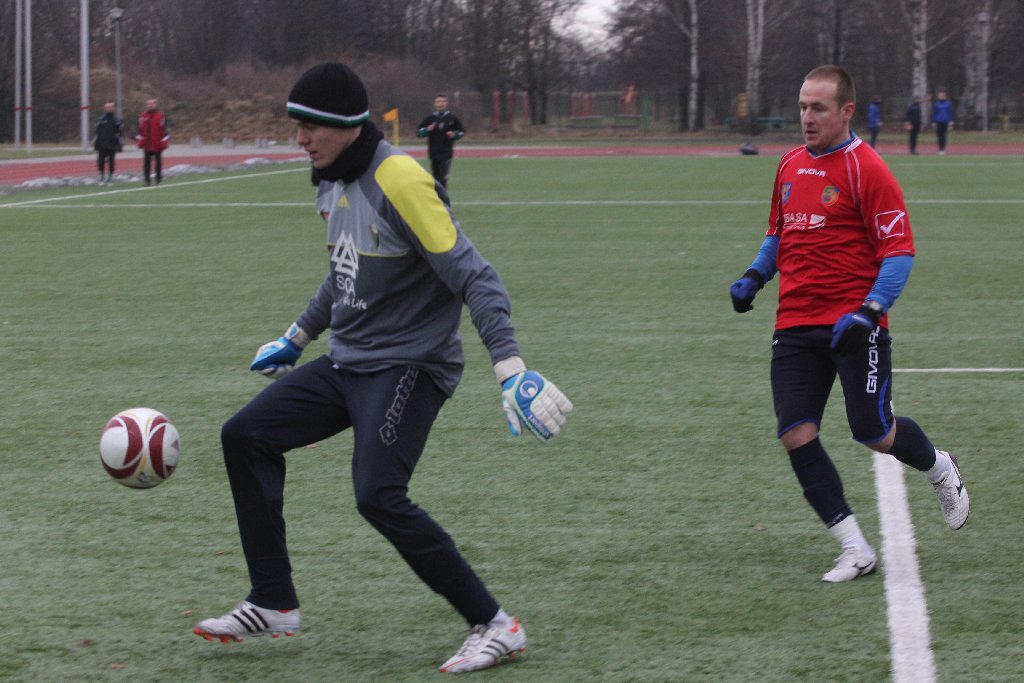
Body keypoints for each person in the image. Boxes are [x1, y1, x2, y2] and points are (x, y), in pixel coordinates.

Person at [191, 63, 573, 673]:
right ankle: (273, 601)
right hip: (350, 361)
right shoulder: (328, 178)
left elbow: (477, 277)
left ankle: (497, 625)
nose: (299, 139)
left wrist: (510, 368)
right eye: (295, 126)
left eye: (309, 126)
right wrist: (297, 336)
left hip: (411, 365)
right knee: (244, 436)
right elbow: (345, 269)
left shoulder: (400, 179)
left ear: (345, 125)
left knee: (377, 494)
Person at [728, 64, 969, 584]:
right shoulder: (790, 163)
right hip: (795, 323)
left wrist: (870, 311)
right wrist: (754, 275)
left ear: (846, 111)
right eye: (802, 107)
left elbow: (899, 252)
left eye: (818, 108)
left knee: (874, 432)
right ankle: (854, 548)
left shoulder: (867, 169)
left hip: (855, 325)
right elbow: (779, 234)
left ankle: (939, 466)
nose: (807, 117)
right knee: (796, 433)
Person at [416, 95, 465, 189]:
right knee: (435, 180)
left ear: (447, 103)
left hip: (446, 154)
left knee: (442, 179)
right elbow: (418, 133)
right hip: (434, 153)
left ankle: (443, 197)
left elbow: (461, 132)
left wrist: (454, 135)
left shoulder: (452, 118)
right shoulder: (430, 118)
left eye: (443, 101)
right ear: (435, 104)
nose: (440, 104)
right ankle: (437, 197)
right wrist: (427, 130)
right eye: (438, 101)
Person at [136, 98, 168, 185]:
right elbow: (140, 130)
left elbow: (164, 130)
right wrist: (140, 141)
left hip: (157, 144)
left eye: (152, 103)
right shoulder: (143, 116)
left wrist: (164, 142)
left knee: (158, 163)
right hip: (147, 144)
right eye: (149, 104)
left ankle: (158, 180)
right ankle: (147, 180)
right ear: (146, 105)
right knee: (146, 164)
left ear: (155, 104)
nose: (150, 105)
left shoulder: (161, 116)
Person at [93, 101, 123, 185]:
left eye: (110, 107)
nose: (109, 108)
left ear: (113, 108)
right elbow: (97, 132)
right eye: (107, 107)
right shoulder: (100, 119)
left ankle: (110, 177)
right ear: (104, 108)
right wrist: (96, 143)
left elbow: (119, 133)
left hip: (112, 144)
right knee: (101, 161)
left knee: (111, 161)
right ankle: (102, 176)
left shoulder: (117, 120)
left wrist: (119, 144)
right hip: (102, 143)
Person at [931, 88, 953, 155]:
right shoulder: (936, 104)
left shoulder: (948, 104)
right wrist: (933, 122)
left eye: (942, 95)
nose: (941, 97)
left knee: (944, 136)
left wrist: (951, 121)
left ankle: (943, 149)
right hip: (938, 122)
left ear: (945, 96)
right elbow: (934, 113)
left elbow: (950, 112)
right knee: (939, 136)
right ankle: (940, 149)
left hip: (945, 121)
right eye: (940, 96)